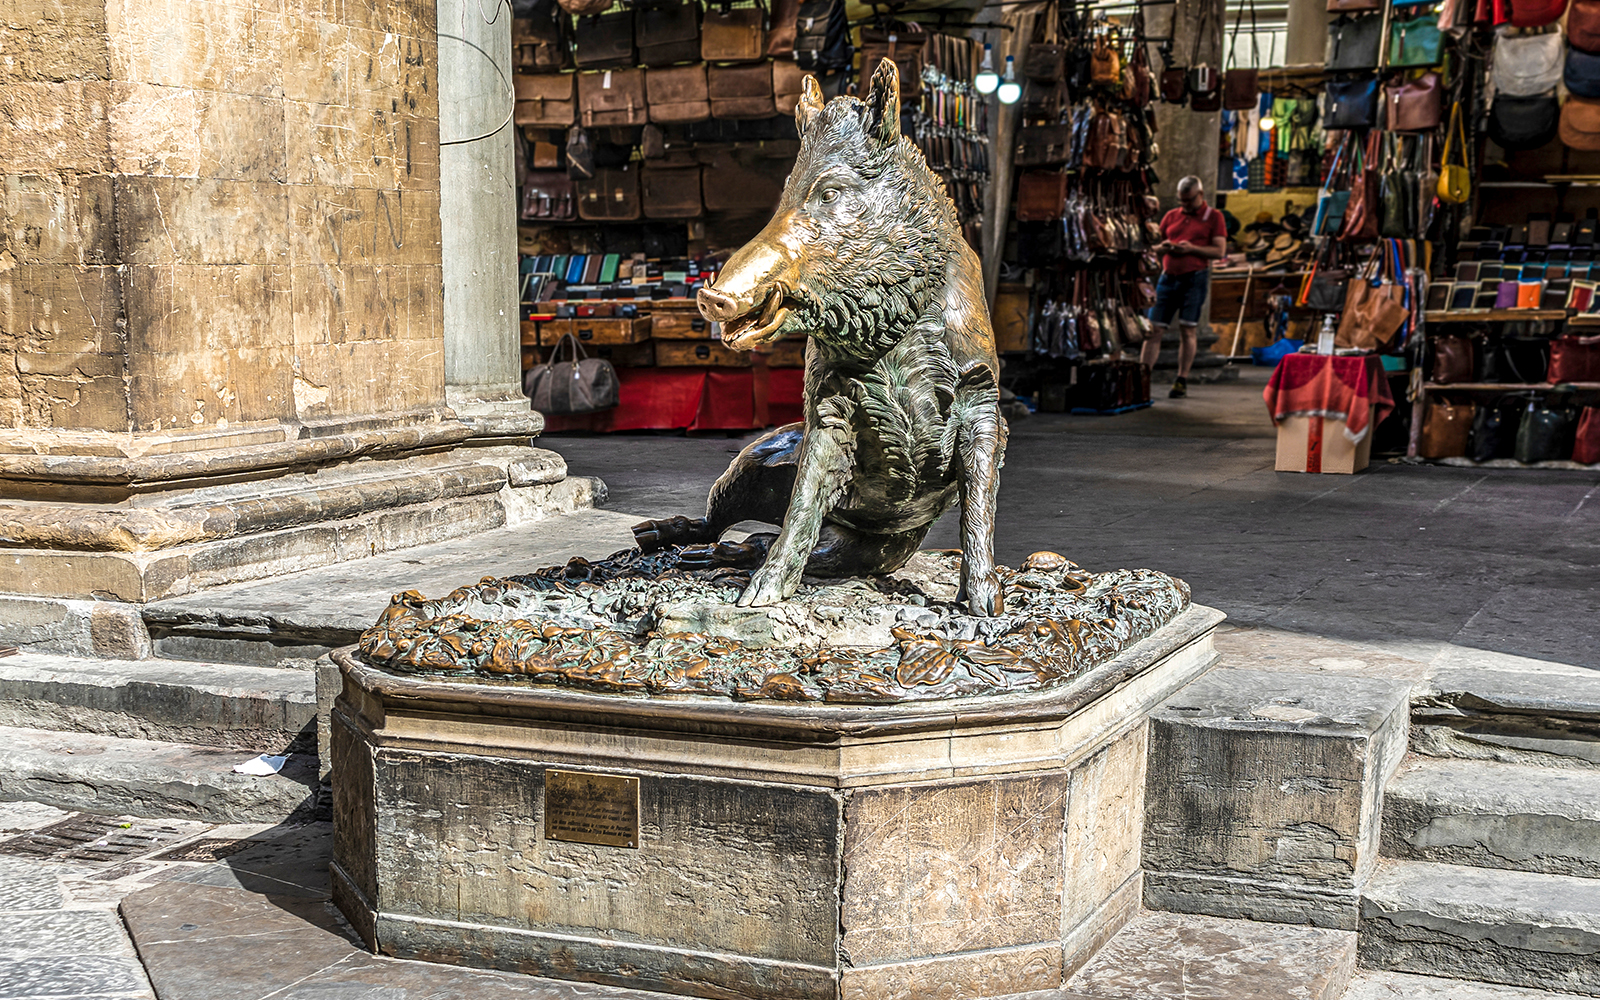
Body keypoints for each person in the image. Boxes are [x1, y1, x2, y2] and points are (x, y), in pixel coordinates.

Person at [1144, 175, 1228, 398]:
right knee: (1154, 330)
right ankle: (1142, 378)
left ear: (1200, 195)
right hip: (1168, 278)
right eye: (1182, 201)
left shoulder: (1214, 217)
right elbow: (1153, 246)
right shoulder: (1172, 216)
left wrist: (1191, 249)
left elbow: (1219, 251)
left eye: (1189, 201)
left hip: (1194, 279)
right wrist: (1163, 248)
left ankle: (1181, 379)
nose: (1185, 205)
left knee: (1187, 329)